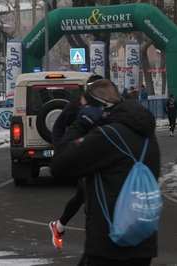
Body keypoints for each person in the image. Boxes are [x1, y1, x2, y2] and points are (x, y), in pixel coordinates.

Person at [50, 79, 160, 265]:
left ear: (97, 109)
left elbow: (59, 165)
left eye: (84, 108)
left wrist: (81, 124)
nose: (81, 112)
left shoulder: (108, 136)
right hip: (143, 244)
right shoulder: (147, 134)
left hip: (108, 245)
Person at [49, 74, 103, 249]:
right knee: (89, 196)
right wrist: (60, 151)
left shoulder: (105, 108)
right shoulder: (74, 107)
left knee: (81, 196)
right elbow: (57, 127)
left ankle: (58, 226)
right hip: (82, 159)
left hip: (102, 158)